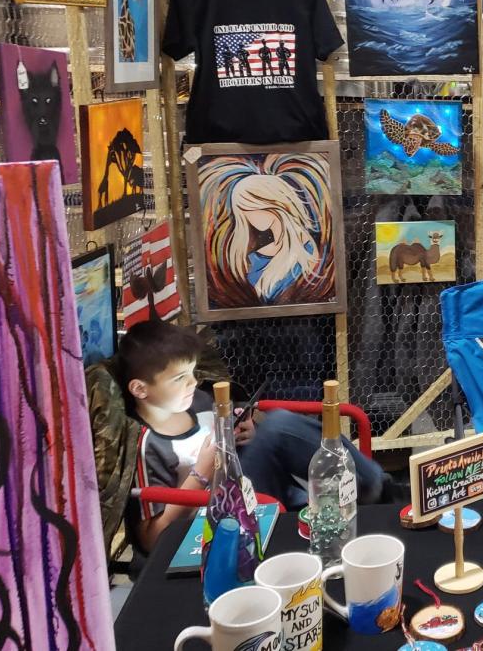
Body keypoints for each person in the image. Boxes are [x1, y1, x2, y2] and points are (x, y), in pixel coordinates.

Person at [119, 320, 389, 552]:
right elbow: (152, 539)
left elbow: (234, 454)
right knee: (278, 426)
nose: (192, 383)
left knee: (275, 430)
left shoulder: (198, 401)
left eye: (192, 373)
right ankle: (376, 487)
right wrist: (201, 473)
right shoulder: (147, 445)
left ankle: (367, 488)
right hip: (215, 526)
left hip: (249, 493)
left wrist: (243, 433)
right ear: (140, 389)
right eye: (179, 378)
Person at [226, 172, 322, 303]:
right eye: (243, 212)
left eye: (249, 209)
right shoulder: (257, 257)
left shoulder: (305, 248)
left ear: (270, 202)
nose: (248, 218)